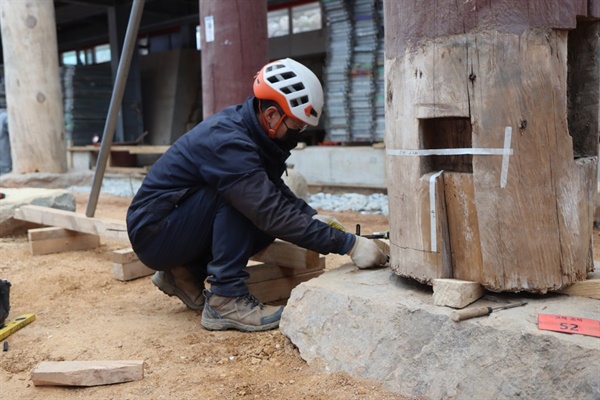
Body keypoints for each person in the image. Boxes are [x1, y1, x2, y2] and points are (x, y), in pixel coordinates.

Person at [126, 58, 387, 333]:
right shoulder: (228, 141)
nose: (297, 135)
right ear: (273, 115)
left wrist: (310, 216)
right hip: (154, 233)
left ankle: (184, 273)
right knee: (245, 203)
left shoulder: (252, 133)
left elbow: (273, 189)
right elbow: (268, 209)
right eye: (296, 126)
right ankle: (226, 299)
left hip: (174, 224)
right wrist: (347, 244)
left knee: (259, 217)